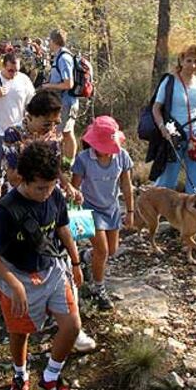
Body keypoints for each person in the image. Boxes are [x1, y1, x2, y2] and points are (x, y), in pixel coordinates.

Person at [0, 142, 83, 390]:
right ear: (24, 180)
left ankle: (50, 379)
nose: (46, 193)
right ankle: (20, 375)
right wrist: (14, 284)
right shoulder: (6, 210)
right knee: (20, 333)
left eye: (51, 186)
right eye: (40, 187)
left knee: (72, 326)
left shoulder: (54, 195)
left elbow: (62, 227)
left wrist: (75, 262)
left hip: (52, 270)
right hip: (17, 276)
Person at [3, 90, 95, 353]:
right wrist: (37, 179)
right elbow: (12, 176)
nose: (52, 128)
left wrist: (65, 186)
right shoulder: (14, 134)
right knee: (25, 261)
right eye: (47, 122)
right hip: (20, 205)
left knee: (59, 258)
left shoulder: (52, 135)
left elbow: (54, 167)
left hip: (49, 201)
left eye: (55, 123)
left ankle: (70, 322)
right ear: (31, 116)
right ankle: (27, 314)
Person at [71, 116, 134, 310]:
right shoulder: (83, 159)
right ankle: (98, 288)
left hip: (111, 208)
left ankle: (86, 256)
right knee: (103, 250)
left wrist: (130, 211)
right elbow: (74, 188)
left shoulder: (122, 156)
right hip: (90, 208)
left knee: (111, 250)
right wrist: (73, 215)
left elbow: (126, 184)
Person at [151, 44, 196, 193]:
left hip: (195, 137)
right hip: (174, 137)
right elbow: (156, 108)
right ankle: (154, 212)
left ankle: (194, 215)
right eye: (189, 60)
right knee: (167, 183)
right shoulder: (170, 81)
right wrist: (162, 128)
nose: (192, 65)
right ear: (181, 60)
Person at [0, 52, 35, 198]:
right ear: (4, 66)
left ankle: (9, 184)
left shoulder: (23, 80)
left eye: (16, 70)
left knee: (15, 157)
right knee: (1, 153)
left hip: (17, 127)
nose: (13, 73)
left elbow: (31, 101)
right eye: (10, 70)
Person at [42, 29, 79, 163]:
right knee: (66, 133)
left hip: (66, 102)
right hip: (63, 101)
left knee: (58, 133)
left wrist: (49, 86)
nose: (48, 44)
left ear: (53, 41)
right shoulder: (60, 56)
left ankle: (63, 165)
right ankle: (66, 164)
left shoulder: (64, 58)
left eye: (49, 41)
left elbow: (68, 83)